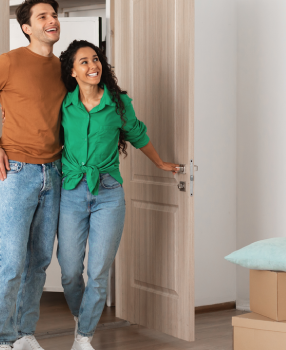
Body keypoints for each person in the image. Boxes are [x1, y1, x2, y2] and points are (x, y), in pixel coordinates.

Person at [56, 40, 178, 350]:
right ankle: (81, 317)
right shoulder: (63, 104)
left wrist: (161, 162)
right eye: (83, 62)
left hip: (108, 193)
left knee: (98, 272)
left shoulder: (118, 103)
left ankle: (83, 338)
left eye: (95, 59)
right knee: (70, 272)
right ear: (72, 71)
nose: (92, 65)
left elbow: (138, 135)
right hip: (71, 191)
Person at [0, 1, 65, 349]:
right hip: (18, 172)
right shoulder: (9, 62)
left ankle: (24, 334)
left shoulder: (63, 68)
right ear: (26, 27)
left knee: (39, 263)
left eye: (54, 15)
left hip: (55, 172)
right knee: (11, 263)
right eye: (43, 17)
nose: (52, 21)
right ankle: (2, 339)